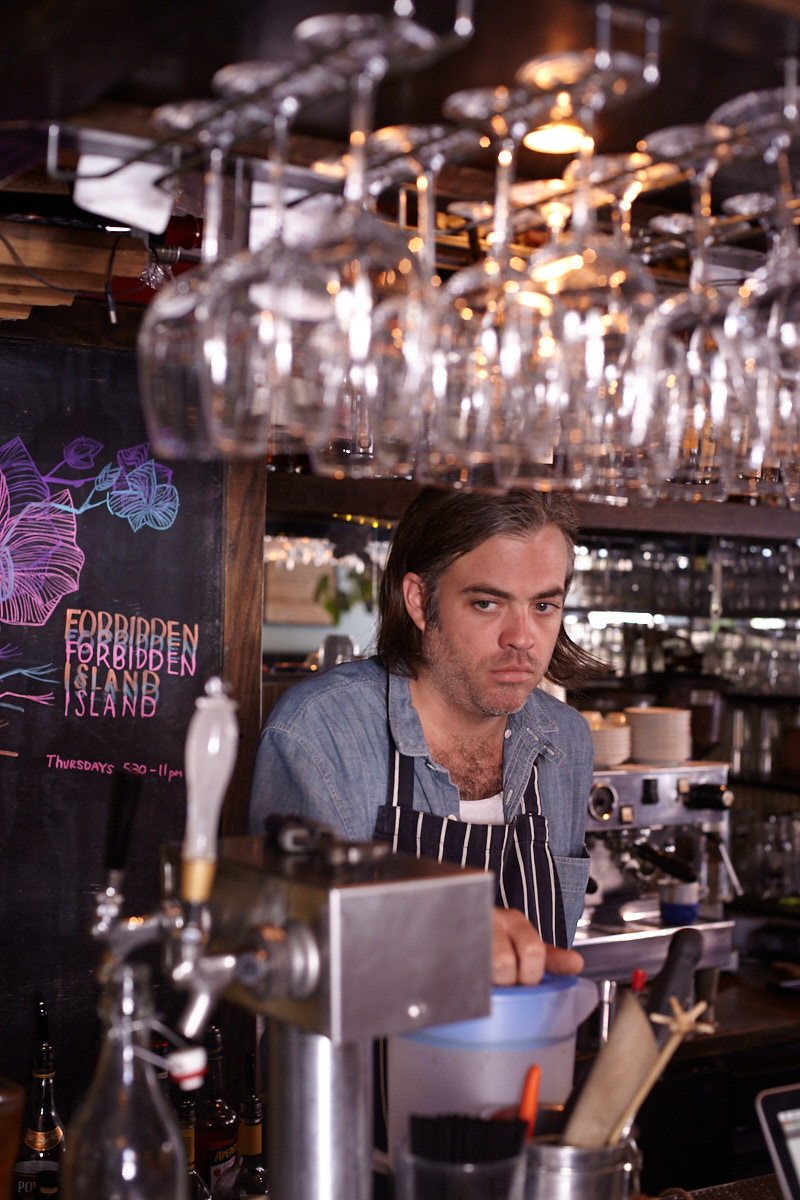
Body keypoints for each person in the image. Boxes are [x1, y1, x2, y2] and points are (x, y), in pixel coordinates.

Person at [249, 487, 603, 985]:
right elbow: (283, 956)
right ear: (419, 600)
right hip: (373, 1062)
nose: (522, 638)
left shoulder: (564, 740)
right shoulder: (322, 731)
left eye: (544, 605)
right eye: (486, 603)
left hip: (528, 1058)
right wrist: (440, 932)